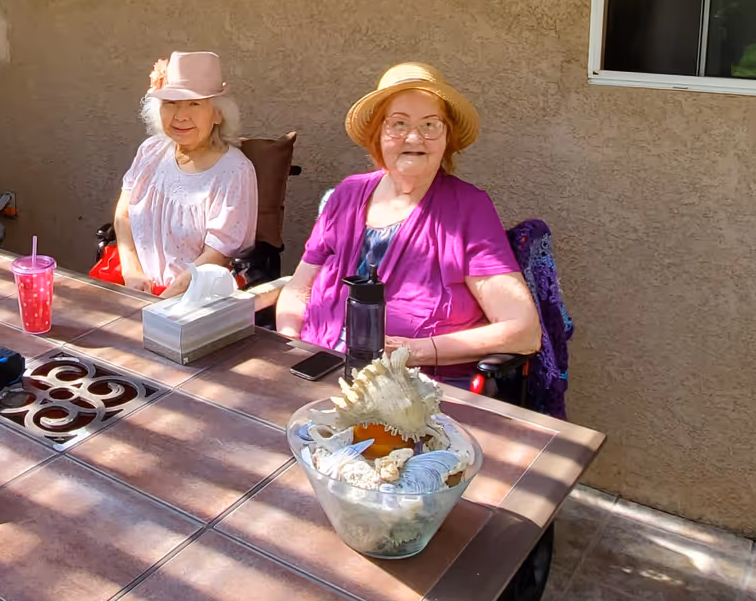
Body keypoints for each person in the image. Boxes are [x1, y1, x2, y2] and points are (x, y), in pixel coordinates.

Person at [274, 63, 540, 382]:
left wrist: (409, 351)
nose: (414, 137)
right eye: (398, 123)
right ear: (378, 135)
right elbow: (298, 289)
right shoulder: (346, 194)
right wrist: (292, 347)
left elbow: (523, 331)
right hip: (319, 368)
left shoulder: (467, 209)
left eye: (430, 125)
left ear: (447, 137)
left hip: (412, 391)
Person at [95, 51, 257, 298]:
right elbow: (123, 214)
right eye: (170, 103)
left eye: (194, 104)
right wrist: (132, 272)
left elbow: (218, 255)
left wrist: (159, 304)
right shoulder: (151, 150)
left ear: (217, 113)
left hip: (191, 298)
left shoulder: (234, 171)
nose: (181, 116)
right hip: (130, 283)